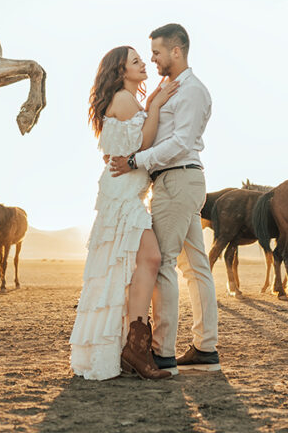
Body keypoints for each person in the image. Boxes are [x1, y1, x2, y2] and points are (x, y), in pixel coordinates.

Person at [109, 23, 219, 374]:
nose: (152, 58)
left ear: (176, 50)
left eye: (156, 52)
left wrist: (135, 161)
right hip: (180, 180)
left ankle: (163, 352)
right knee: (195, 266)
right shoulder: (171, 88)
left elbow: (180, 143)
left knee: (165, 264)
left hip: (176, 180)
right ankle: (205, 349)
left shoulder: (192, 91)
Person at [70, 45, 181, 380]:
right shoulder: (124, 98)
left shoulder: (125, 100)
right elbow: (143, 145)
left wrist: (150, 106)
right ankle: (136, 345)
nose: (143, 63)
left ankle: (133, 346)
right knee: (149, 259)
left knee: (131, 268)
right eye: (135, 61)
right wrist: (156, 104)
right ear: (120, 71)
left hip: (124, 192)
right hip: (122, 197)